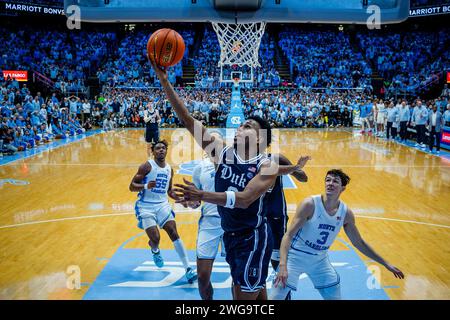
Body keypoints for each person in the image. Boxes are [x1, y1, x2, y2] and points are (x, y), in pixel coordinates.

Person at [150, 59, 309, 300]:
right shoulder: (222, 153)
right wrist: (164, 81)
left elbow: (245, 200)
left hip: (252, 238)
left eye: (247, 126)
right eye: (242, 124)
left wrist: (202, 195)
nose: (240, 127)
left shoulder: (265, 166)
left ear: (259, 140)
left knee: (244, 297)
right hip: (230, 234)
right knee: (249, 292)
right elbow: (188, 121)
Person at [270, 169, 404, 300]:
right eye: (328, 180)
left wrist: (386, 264)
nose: (330, 183)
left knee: (334, 295)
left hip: (319, 261)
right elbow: (288, 236)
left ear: (343, 188)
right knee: (276, 296)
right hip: (296, 257)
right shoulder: (310, 204)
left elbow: (359, 243)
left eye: (335, 181)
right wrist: (282, 265)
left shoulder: (346, 213)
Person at [129, 140, 198, 283]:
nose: (161, 150)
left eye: (163, 148)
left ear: (166, 151)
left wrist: (181, 199)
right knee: (155, 238)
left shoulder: (169, 169)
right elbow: (132, 186)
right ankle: (154, 250)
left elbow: (168, 191)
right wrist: (146, 185)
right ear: (153, 151)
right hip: (146, 206)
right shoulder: (147, 166)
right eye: (158, 148)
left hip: (162, 205)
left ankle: (188, 269)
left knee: (174, 232)